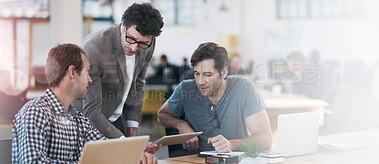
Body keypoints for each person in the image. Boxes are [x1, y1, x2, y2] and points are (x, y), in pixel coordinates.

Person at [12, 44, 157, 163]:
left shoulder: (78, 119)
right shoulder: (35, 112)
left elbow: (107, 148)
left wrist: (134, 154)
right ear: (72, 72)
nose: (90, 80)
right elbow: (32, 162)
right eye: (87, 72)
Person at [157, 42, 273, 153]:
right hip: (194, 160)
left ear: (223, 73)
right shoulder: (186, 89)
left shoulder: (244, 88)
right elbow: (162, 115)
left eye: (208, 75)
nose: (200, 82)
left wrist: (231, 144)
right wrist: (181, 125)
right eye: (197, 74)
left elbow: (266, 140)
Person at [73, 2, 164, 139]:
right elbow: (91, 112)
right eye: (131, 39)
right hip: (87, 122)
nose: (134, 48)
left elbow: (137, 86)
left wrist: (133, 136)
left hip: (117, 118)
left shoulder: (149, 44)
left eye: (142, 43)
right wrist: (124, 142)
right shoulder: (94, 48)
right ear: (122, 25)